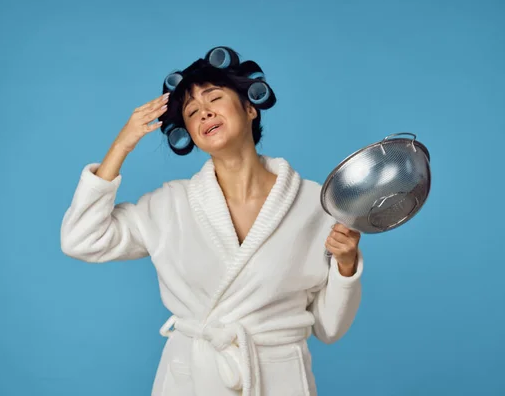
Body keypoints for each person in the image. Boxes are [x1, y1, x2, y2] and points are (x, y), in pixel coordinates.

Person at [60, 46, 364, 396]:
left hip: (279, 380)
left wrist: (345, 266)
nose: (204, 113)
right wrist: (121, 146)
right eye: (192, 111)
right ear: (188, 133)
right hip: (192, 378)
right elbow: (80, 239)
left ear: (250, 107)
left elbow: (330, 328)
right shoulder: (169, 205)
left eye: (214, 98)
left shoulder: (317, 204)